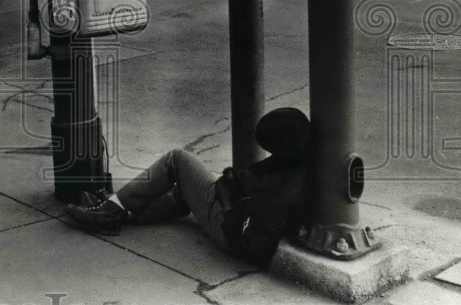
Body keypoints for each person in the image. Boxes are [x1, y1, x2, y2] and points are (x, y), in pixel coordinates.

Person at [65, 107, 311, 267]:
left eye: (269, 147)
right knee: (186, 190)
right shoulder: (296, 157)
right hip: (237, 211)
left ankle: (110, 209)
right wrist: (238, 181)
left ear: (282, 145)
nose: (268, 153)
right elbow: (258, 180)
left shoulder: (284, 191)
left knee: (176, 160)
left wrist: (226, 199)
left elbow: (249, 242)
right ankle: (120, 211)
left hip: (228, 229)